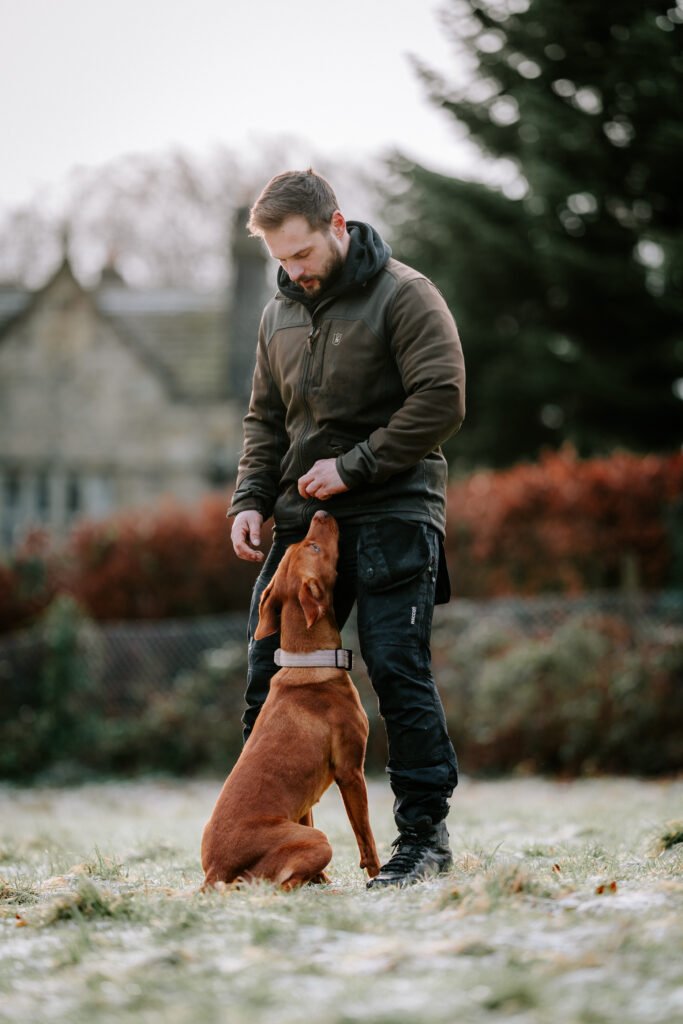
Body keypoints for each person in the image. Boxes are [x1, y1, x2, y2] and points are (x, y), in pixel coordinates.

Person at [228, 169, 465, 888]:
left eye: (302, 253)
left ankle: (422, 843)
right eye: (281, 258)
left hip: (394, 511)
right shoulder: (277, 315)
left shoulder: (404, 294)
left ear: (337, 225)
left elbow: (442, 398)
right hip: (304, 523)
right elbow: (266, 420)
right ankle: (273, 848)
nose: (293, 270)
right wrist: (249, 499)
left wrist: (354, 467)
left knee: (396, 668)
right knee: (265, 678)